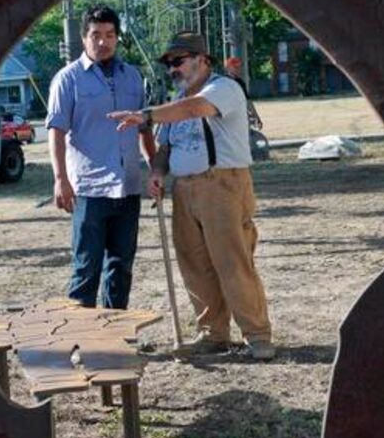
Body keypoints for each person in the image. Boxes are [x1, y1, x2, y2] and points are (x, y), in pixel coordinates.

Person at [108, 32, 275, 360]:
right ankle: (213, 334)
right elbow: (165, 147)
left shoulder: (223, 88)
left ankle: (258, 336)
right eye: (169, 63)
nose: (173, 68)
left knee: (232, 261)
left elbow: (195, 109)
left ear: (202, 60)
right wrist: (157, 173)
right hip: (184, 189)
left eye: (179, 60)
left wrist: (147, 114)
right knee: (194, 264)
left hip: (222, 185)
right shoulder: (176, 100)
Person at [46, 4, 156, 308]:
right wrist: (60, 180)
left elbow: (145, 126)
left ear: (118, 37)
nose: (103, 42)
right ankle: (81, 342)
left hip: (128, 188)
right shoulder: (68, 80)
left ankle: (114, 341)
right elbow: (56, 132)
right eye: (96, 35)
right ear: (84, 38)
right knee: (86, 270)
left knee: (121, 268)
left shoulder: (132, 77)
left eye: (110, 35)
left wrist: (155, 168)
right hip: (89, 191)